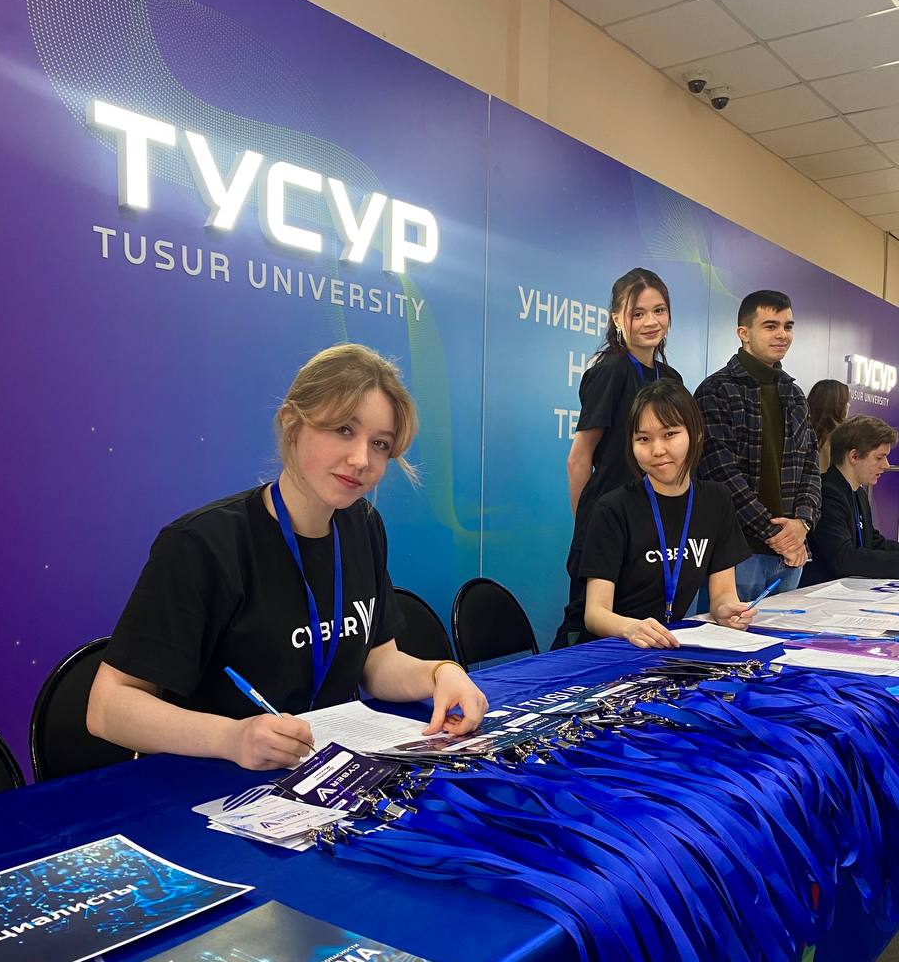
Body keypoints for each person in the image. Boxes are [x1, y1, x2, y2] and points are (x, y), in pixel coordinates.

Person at [87, 343, 488, 771]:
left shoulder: (362, 525)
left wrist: (440, 673)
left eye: (380, 444)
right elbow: (107, 706)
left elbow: (377, 662)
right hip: (217, 779)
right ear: (292, 423)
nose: (361, 460)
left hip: (326, 773)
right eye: (344, 430)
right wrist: (232, 737)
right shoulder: (202, 544)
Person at [550, 267, 684, 648]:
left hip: (652, 526)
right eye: (638, 313)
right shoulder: (610, 371)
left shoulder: (670, 378)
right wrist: (590, 528)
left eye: (659, 310)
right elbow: (579, 459)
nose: (651, 322)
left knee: (645, 635)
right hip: (609, 521)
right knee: (593, 630)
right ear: (616, 319)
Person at [577, 382, 754, 648]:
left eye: (670, 434)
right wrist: (630, 627)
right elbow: (595, 614)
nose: (657, 450)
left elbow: (723, 593)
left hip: (669, 646)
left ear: (696, 433)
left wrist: (725, 609)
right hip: (615, 647)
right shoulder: (613, 508)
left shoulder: (716, 500)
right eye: (643, 439)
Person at [694, 290, 820, 601]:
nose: (782, 334)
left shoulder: (794, 395)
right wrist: (775, 533)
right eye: (770, 326)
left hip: (791, 554)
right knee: (725, 631)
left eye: (788, 326)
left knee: (780, 633)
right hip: (738, 552)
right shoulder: (716, 390)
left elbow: (810, 466)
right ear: (744, 333)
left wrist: (803, 523)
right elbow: (720, 474)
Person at [802, 415, 899, 584]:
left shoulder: (858, 493)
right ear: (853, 456)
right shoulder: (826, 493)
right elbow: (843, 559)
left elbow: (873, 543)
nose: (886, 465)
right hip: (822, 591)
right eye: (879, 457)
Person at [807, 379, 850, 473]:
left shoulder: (802, 431)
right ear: (837, 405)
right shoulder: (840, 438)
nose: (848, 406)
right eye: (845, 402)